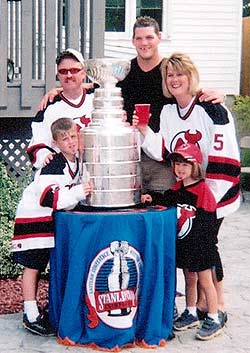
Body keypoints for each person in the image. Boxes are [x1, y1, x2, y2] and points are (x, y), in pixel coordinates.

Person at [38, 16, 225, 193]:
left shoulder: (168, 70)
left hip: (163, 161)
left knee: (165, 210)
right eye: (139, 38)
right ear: (133, 41)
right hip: (129, 156)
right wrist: (61, 90)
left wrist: (217, 93)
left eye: (149, 37)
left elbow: (187, 88)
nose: (144, 43)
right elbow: (100, 85)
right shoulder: (124, 70)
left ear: (159, 38)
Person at [133, 52, 241, 328]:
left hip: (215, 191)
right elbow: (166, 150)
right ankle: (203, 306)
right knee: (198, 248)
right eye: (170, 75)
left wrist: (208, 199)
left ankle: (219, 306)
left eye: (180, 74)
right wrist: (144, 130)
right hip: (192, 191)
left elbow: (225, 155)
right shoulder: (169, 112)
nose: (175, 79)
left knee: (206, 247)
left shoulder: (212, 108)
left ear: (191, 76)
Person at [11, 118, 92, 336]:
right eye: (64, 139)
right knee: (33, 265)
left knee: (44, 264)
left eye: (73, 136)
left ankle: (45, 308)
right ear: (55, 143)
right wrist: (79, 192)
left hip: (47, 220)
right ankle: (30, 314)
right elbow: (50, 198)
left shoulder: (76, 161)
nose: (71, 142)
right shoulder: (54, 163)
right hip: (33, 218)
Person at [142, 142, 224, 340]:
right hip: (185, 245)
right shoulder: (177, 188)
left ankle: (214, 317)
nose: (179, 168)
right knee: (189, 279)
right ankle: (191, 311)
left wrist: (203, 247)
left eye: (185, 164)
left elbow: (208, 222)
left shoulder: (203, 190)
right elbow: (166, 201)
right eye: (177, 164)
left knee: (205, 281)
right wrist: (151, 198)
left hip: (201, 247)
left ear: (195, 166)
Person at [28, 48, 93, 170]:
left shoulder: (97, 97)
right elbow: (37, 144)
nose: (68, 75)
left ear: (83, 73)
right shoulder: (49, 107)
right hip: (64, 176)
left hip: (96, 169)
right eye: (63, 71)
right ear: (58, 75)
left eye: (74, 70)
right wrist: (46, 156)